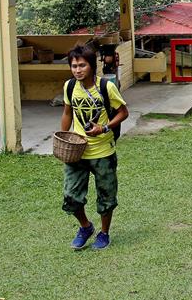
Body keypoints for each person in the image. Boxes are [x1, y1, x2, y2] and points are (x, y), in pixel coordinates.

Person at [61, 45, 128, 250]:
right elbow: (67, 113)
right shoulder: (70, 86)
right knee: (71, 196)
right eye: (74, 66)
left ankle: (104, 233)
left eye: (82, 65)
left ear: (92, 66)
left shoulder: (106, 87)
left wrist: (104, 127)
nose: (77, 70)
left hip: (103, 152)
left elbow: (123, 112)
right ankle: (86, 227)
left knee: (106, 196)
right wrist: (64, 138)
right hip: (77, 151)